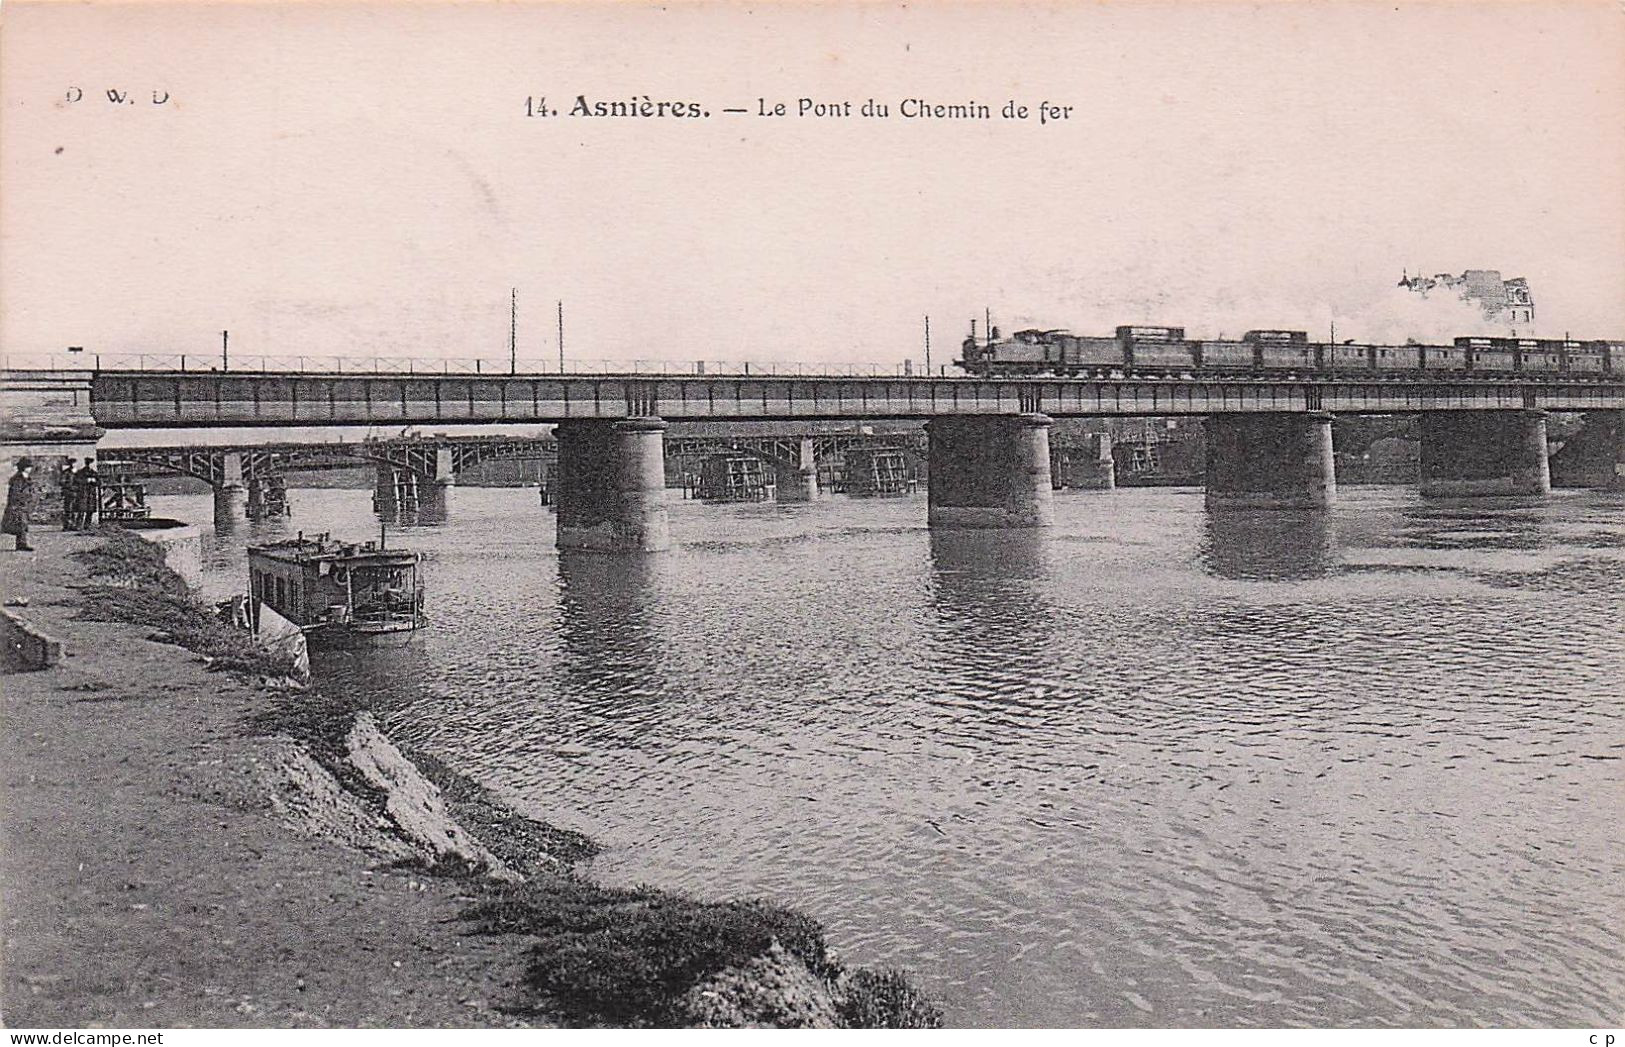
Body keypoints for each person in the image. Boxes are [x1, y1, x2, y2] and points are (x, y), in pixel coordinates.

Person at [3, 458, 38, 551]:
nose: (30, 468)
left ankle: (21, 543)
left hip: (25, 505)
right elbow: (15, 493)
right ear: (24, 468)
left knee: (22, 524)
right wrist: (25, 499)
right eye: (28, 466)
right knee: (20, 524)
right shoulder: (17, 479)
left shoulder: (27, 477)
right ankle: (21, 544)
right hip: (17, 505)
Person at [71, 457, 99, 531]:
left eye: (89, 463)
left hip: (91, 494)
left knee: (90, 511)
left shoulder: (94, 473)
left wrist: (94, 481)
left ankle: (87, 526)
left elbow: (99, 483)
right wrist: (86, 481)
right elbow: (76, 481)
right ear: (85, 463)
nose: (88, 465)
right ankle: (78, 526)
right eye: (87, 463)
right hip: (83, 493)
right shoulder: (80, 473)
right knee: (81, 510)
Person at [59, 460, 78, 531]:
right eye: (72, 463)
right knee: (68, 510)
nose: (73, 465)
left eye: (74, 463)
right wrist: (71, 487)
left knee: (75, 510)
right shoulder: (66, 472)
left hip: (77, 494)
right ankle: (66, 526)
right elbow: (61, 482)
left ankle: (73, 525)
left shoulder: (77, 473)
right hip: (69, 493)